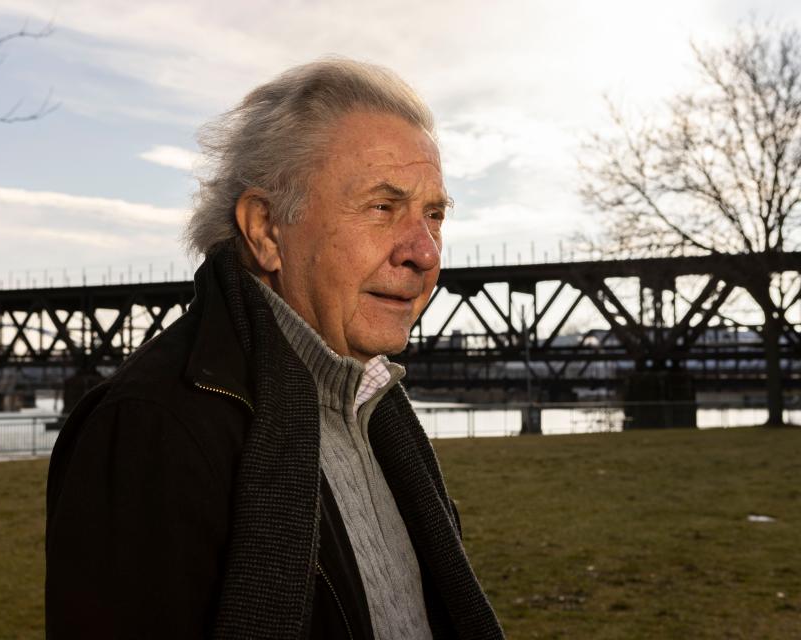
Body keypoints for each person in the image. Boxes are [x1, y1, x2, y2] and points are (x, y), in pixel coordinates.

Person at [45, 58, 504, 640]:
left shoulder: (372, 406)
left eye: (434, 215)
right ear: (265, 229)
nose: (425, 251)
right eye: (383, 208)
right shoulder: (148, 427)